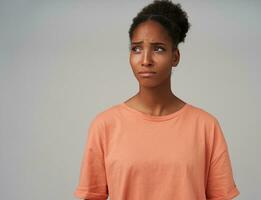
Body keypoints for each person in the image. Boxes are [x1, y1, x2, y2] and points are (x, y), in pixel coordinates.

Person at [73, 0, 240, 199]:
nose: (145, 60)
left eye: (158, 48)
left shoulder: (205, 127)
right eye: (136, 49)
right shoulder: (105, 126)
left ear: (175, 56)